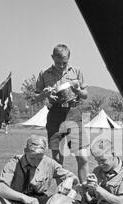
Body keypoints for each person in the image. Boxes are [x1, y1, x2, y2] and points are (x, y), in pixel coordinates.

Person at [34, 44, 89, 183]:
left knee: (82, 157)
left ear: (69, 58)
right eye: (58, 62)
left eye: (64, 63)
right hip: (55, 114)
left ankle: (85, 192)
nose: (61, 66)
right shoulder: (44, 74)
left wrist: (77, 91)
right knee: (57, 159)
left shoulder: (76, 72)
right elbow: (35, 98)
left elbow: (85, 95)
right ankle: (61, 192)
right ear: (52, 57)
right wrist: (45, 95)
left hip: (73, 113)